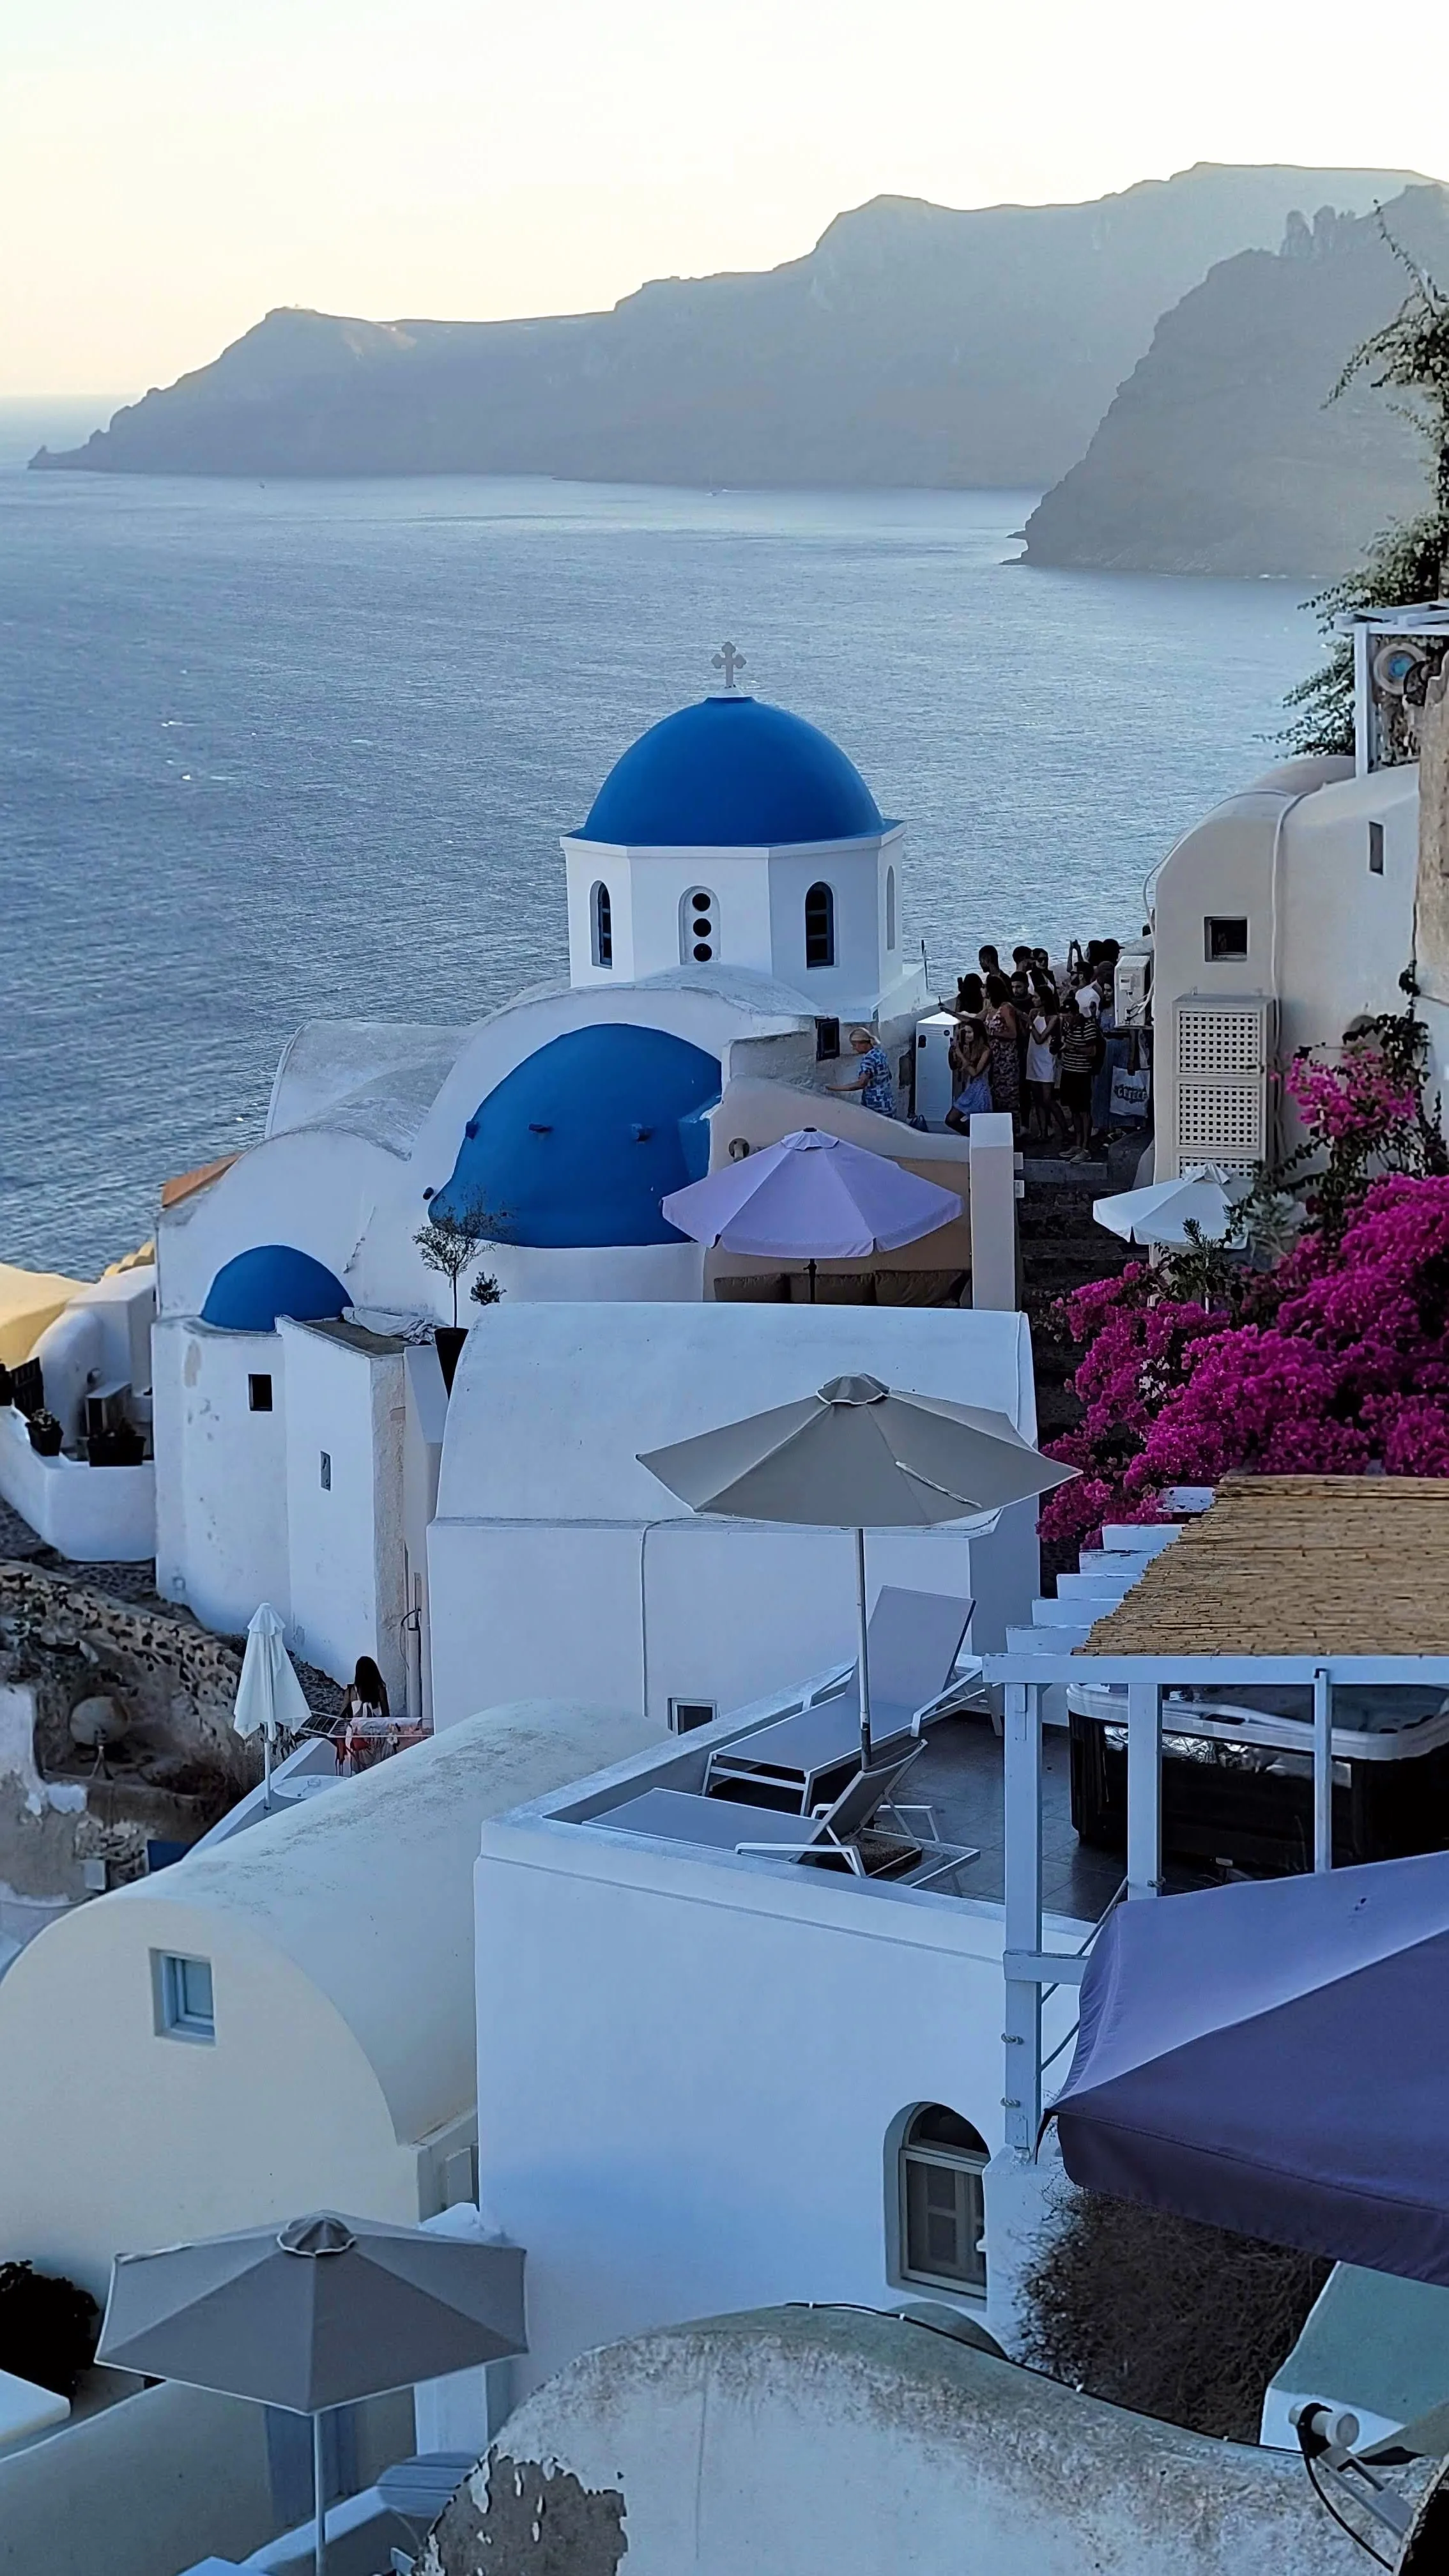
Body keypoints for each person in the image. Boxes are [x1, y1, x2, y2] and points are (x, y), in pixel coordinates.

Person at [1056, 991, 1101, 1159]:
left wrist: (1073, 1048)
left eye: (1068, 1016)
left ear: (1076, 1014)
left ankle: (1085, 1148)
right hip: (1069, 1071)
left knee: (1083, 1111)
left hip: (1082, 1074)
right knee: (1074, 1110)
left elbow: (1092, 1051)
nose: (1066, 1020)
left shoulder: (1088, 1026)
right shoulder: (1068, 1026)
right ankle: (1077, 1144)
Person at [337, 1654, 394, 1774]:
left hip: (358, 1738)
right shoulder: (380, 1689)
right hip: (376, 1737)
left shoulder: (351, 1691)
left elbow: (341, 1716)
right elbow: (386, 1715)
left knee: (359, 1772)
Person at [982, 972, 1021, 1126]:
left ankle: (1014, 1133)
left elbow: (1013, 1033)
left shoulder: (1006, 1008)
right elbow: (976, 1018)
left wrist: (992, 1033)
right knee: (998, 1095)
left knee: (1010, 1097)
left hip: (1007, 1059)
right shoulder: (991, 1008)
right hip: (996, 1059)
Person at [1024, 991, 1062, 1145]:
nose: (1033, 999)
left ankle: (1064, 1130)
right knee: (1039, 1099)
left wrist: (1030, 1023)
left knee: (1048, 1099)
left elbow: (1040, 1038)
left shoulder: (1053, 1018)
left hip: (1046, 1059)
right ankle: (1043, 1132)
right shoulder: (1034, 1013)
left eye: (1036, 997)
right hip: (1033, 1058)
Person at [945, 1015, 993, 1131]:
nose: (967, 1035)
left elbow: (975, 1072)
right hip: (970, 1088)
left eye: (970, 1032)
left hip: (980, 1091)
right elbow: (956, 1067)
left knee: (977, 1125)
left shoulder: (986, 1051)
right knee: (950, 1120)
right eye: (966, 1032)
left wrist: (961, 1055)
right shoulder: (970, 1048)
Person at [841, 1023, 896, 1117]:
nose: (854, 1048)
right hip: (887, 1101)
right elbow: (889, 1075)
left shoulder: (868, 1060)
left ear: (863, 1043)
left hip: (875, 1104)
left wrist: (836, 1088)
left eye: (855, 1045)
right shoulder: (880, 1053)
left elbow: (861, 1084)